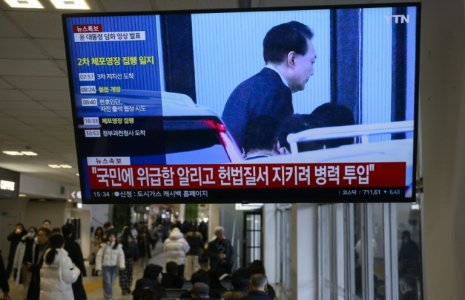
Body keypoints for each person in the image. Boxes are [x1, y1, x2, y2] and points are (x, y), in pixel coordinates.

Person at [222, 21, 316, 151]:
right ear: (292, 59)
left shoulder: (247, 87)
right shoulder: (278, 94)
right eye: (312, 62)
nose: (312, 72)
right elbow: (272, 156)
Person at [40, 234, 81, 300]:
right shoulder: (65, 259)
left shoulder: (47, 257)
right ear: (62, 244)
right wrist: (77, 270)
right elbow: (69, 278)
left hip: (46, 295)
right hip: (61, 295)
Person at [96, 232, 125, 300]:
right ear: (108, 238)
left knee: (110, 283)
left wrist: (121, 265)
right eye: (110, 237)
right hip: (106, 267)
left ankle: (107, 296)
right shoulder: (104, 246)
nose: (112, 238)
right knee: (107, 282)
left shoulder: (118, 246)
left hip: (115, 267)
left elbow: (121, 256)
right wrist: (98, 267)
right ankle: (109, 296)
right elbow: (99, 256)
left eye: (113, 237)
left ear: (115, 238)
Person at [62, 223, 87, 300]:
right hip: (73, 269)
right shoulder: (74, 244)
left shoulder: (60, 243)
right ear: (71, 232)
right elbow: (79, 258)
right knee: (76, 289)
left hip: (62, 268)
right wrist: (83, 271)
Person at [27, 227, 52, 300]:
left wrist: (33, 267)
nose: (38, 237)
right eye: (38, 235)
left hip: (46, 281)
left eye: (41, 235)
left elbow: (49, 267)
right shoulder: (38, 247)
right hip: (36, 278)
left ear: (48, 237)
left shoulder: (50, 250)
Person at [12, 226, 37, 299]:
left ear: (35, 233)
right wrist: (16, 264)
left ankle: (27, 295)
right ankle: (25, 295)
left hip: (33, 263)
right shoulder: (23, 241)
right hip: (24, 262)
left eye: (32, 231)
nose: (30, 233)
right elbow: (18, 252)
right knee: (25, 280)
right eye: (29, 231)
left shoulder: (36, 241)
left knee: (30, 281)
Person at [119, 227, 139, 295]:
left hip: (122, 259)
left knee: (122, 274)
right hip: (131, 259)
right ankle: (128, 285)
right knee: (130, 274)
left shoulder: (120, 240)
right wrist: (136, 259)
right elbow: (136, 250)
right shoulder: (133, 240)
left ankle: (123, 289)